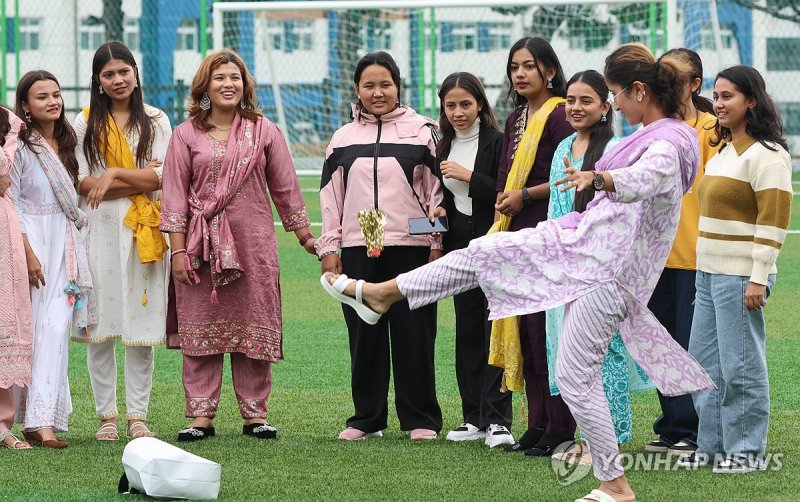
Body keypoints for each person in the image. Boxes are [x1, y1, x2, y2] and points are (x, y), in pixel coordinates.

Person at [320, 43, 716, 501]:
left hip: (605, 272)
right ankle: (384, 293)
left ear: (640, 91)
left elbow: (651, 176)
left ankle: (615, 485)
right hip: (584, 250)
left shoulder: (669, 141)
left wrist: (603, 179)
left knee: (569, 372)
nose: (615, 104)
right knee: (486, 256)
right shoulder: (652, 133)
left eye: (614, 95)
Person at [160, 49, 315, 442]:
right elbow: (175, 196)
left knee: (253, 328)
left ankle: (255, 415)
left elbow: (286, 189)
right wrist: (178, 252)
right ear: (205, 86)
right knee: (201, 330)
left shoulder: (264, 131)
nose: (228, 84)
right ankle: (200, 417)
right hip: (199, 247)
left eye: (235, 77)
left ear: (245, 84)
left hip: (253, 246)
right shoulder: (185, 134)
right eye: (219, 78)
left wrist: (307, 237)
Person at [315, 51, 444, 441]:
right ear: (357, 89)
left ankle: (420, 418)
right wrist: (330, 247)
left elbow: (436, 194)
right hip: (357, 248)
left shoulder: (423, 130)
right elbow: (330, 198)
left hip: (411, 247)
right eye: (369, 85)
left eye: (385, 84)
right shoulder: (341, 138)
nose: (377, 92)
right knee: (363, 334)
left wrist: (433, 240)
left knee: (415, 335)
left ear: (398, 86)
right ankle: (366, 419)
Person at [685, 65, 792, 473]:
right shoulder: (725, 152)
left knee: (741, 366)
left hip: (741, 276)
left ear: (751, 100)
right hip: (708, 274)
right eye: (716, 95)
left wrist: (758, 277)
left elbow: (774, 221)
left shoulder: (769, 156)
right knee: (705, 365)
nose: (719, 103)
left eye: (728, 95)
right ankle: (712, 448)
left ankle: (746, 452)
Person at [545, 70, 652, 464]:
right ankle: (588, 438)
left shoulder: (618, 151)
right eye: (570, 100)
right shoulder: (563, 149)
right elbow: (557, 210)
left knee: (605, 357)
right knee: (569, 355)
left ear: (606, 107)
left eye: (586, 100)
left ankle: (612, 441)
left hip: (603, 271)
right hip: (565, 267)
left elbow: (621, 215)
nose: (575, 107)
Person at [75, 41, 172, 441]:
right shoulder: (84, 123)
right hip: (98, 230)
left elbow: (162, 178)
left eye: (124, 71)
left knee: (140, 325)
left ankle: (137, 416)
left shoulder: (156, 119)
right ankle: (107, 418)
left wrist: (113, 173)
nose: (118, 80)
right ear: (98, 81)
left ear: (136, 73)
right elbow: (82, 184)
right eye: (109, 74)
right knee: (101, 328)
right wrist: (133, 176)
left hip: (143, 229)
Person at [491, 36, 576, 457]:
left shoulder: (561, 114)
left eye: (529, 66)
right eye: (514, 67)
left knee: (548, 331)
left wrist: (525, 196)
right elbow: (509, 174)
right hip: (514, 231)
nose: (520, 74)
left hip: (547, 228)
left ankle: (561, 426)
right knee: (526, 330)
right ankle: (537, 422)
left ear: (550, 71)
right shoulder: (515, 118)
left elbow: (571, 175)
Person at [10, 71, 96, 448]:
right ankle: (26, 421)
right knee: (31, 333)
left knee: (57, 328)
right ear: (25, 106)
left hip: (65, 243)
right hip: (28, 244)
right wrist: (27, 254)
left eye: (56, 94)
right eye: (42, 97)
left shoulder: (67, 142)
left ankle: (43, 419)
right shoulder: (19, 146)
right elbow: (9, 202)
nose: (52, 102)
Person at [645, 48, 717, 457]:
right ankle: (672, 427)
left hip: (696, 256)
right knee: (660, 344)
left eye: (675, 77)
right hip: (655, 258)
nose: (666, 84)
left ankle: (694, 429)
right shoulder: (657, 129)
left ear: (694, 84)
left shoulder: (710, 130)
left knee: (692, 346)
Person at [434, 72, 512, 448]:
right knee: (466, 329)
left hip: (492, 239)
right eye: (451, 105)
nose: (458, 112)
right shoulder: (443, 144)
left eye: (465, 104)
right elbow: (445, 197)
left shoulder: (498, 142)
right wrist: (438, 209)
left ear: (480, 103)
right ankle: (473, 418)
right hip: (458, 242)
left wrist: (468, 176)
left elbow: (504, 193)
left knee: (491, 328)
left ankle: (498, 419)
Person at [0, 107, 33, 450]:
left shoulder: (7, 122)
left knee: (5, 324)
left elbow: (4, 171)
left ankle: (2, 425)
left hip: (3, 233)